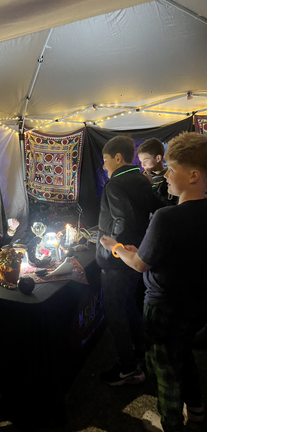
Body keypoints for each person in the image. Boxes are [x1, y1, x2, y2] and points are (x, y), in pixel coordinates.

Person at [99, 132, 207, 432]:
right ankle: (197, 413)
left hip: (165, 305)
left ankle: (170, 422)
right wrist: (143, 251)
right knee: (185, 355)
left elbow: (140, 263)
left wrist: (116, 248)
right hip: (197, 303)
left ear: (193, 175)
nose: (166, 175)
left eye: (172, 169)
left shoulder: (167, 217)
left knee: (165, 368)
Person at [96, 135, 163, 386]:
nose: (104, 165)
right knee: (130, 307)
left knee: (115, 313)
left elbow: (122, 221)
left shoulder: (115, 184)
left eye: (105, 160)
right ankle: (139, 354)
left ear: (117, 158)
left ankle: (128, 368)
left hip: (118, 262)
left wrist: (114, 248)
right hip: (138, 255)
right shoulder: (142, 179)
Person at [138, 138, 179, 207]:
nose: (143, 165)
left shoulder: (171, 179)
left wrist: (148, 187)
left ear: (158, 158)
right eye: (141, 161)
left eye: (145, 160)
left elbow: (168, 206)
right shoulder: (140, 177)